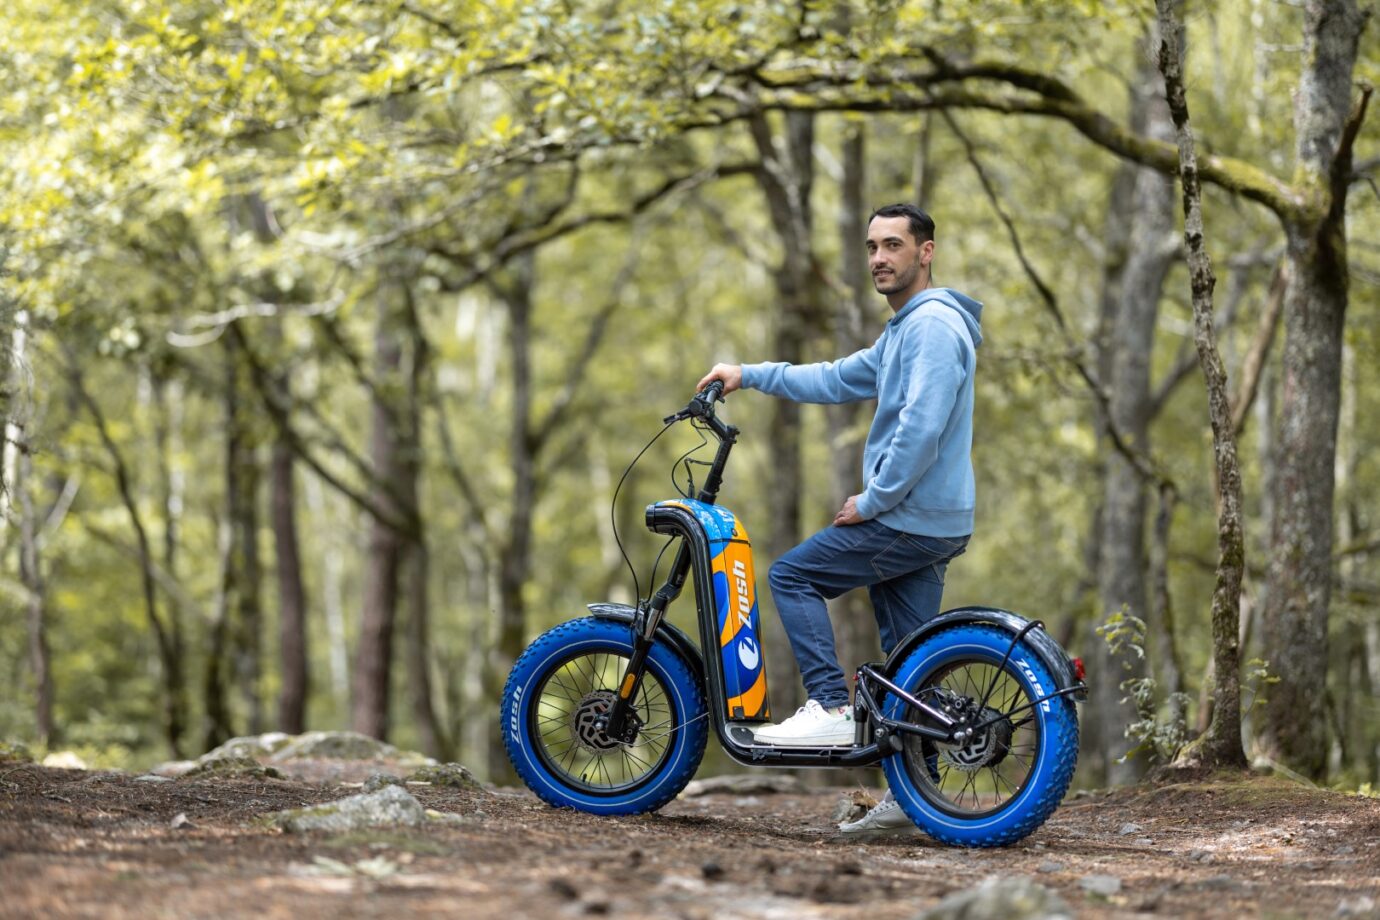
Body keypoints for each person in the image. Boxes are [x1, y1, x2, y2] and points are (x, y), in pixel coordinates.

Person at [696, 202, 983, 836]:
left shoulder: (933, 327)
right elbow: (834, 378)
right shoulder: (906, 329)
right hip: (928, 518)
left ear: (926, 252)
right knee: (914, 665)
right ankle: (915, 800)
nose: (880, 258)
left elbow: (921, 428)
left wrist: (873, 500)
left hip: (908, 516)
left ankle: (828, 704)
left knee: (792, 577)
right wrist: (749, 374)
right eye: (873, 246)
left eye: (895, 246)